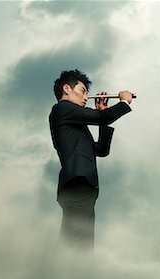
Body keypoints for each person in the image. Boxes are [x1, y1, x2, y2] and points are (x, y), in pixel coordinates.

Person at [49, 69, 132, 249]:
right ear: (66, 88)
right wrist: (124, 101)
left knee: (81, 243)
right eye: (83, 91)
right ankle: (62, 274)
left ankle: (73, 274)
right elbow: (103, 118)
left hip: (83, 186)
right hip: (77, 184)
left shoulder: (73, 122)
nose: (86, 97)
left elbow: (101, 150)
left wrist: (102, 112)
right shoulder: (62, 108)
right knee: (75, 242)